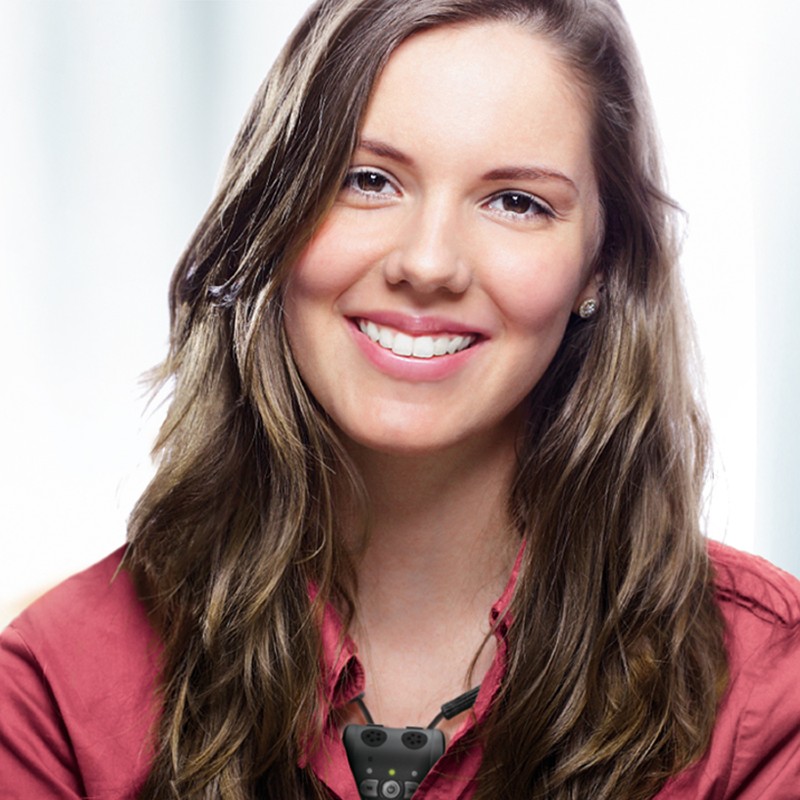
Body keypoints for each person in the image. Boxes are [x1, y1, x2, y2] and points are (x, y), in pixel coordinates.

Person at [2, 0, 799, 798]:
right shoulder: (57, 690)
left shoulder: (766, 685)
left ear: (600, 266)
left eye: (516, 201)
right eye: (368, 180)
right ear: (275, 214)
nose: (428, 262)